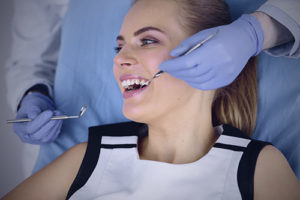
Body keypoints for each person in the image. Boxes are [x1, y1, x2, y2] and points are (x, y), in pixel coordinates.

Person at [2, 0, 300, 199]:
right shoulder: (86, 158)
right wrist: (31, 91)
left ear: (206, 49)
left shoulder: (260, 167)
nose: (120, 59)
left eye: (147, 40)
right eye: (118, 47)